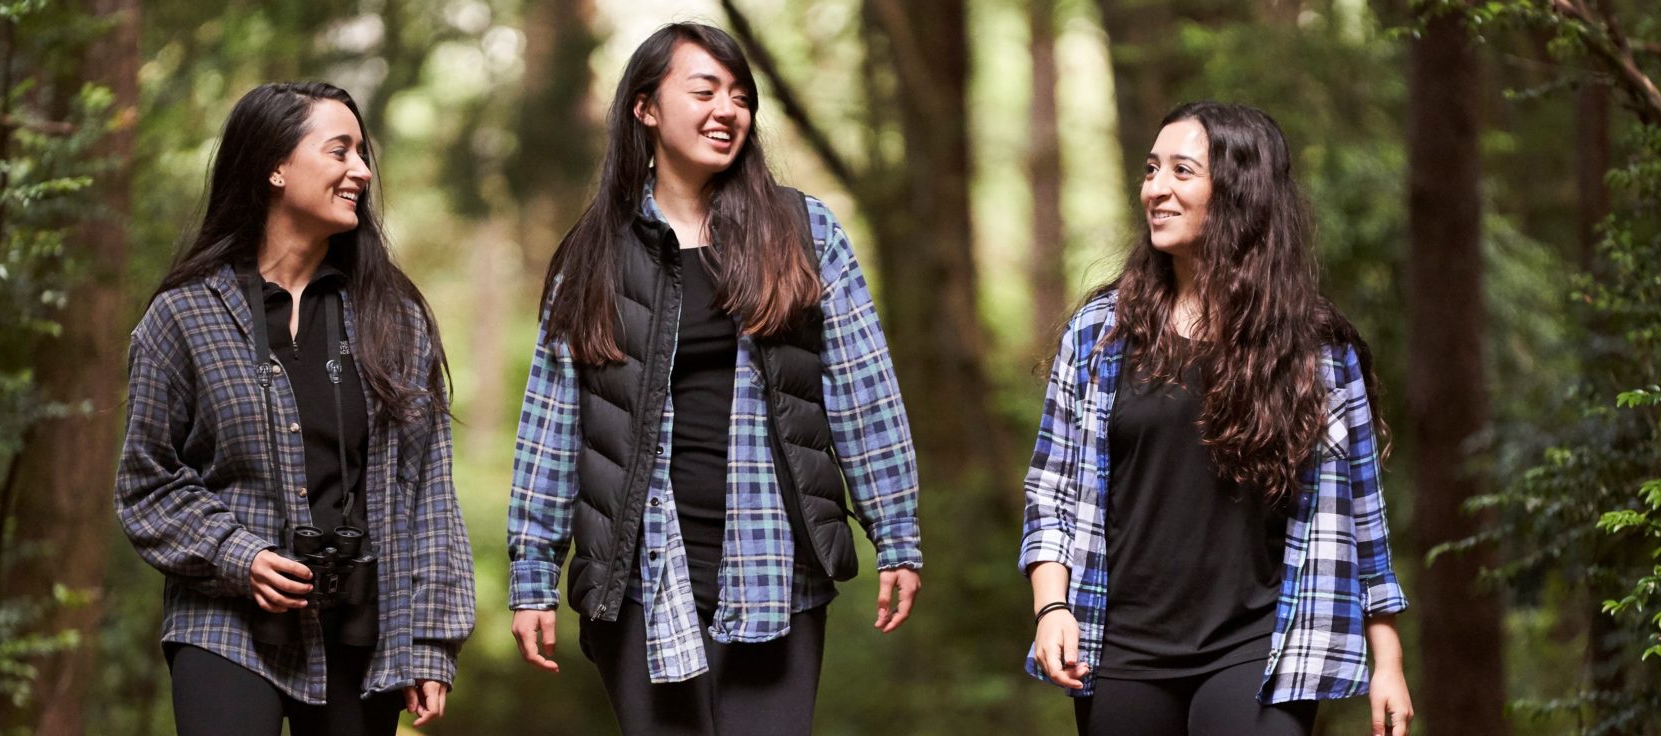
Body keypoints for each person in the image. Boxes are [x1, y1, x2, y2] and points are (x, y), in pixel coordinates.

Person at [504, 22, 923, 736]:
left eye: (741, 96)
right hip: (641, 575)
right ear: (645, 108)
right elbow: (554, 423)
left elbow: (863, 391)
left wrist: (897, 534)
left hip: (774, 569)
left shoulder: (803, 232)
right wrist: (531, 575)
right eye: (704, 91)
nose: (727, 109)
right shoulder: (594, 255)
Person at [1019, 101, 1415, 736]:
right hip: (1121, 646)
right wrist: (1052, 607)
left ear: (1238, 193)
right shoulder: (1101, 334)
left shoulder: (1313, 349)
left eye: (1181, 171)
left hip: (1262, 644)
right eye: (1151, 169)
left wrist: (1387, 662)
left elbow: (1363, 516)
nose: (1156, 189)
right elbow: (1052, 489)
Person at [115, 81, 472, 736]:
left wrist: (429, 642)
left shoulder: (396, 317)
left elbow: (428, 493)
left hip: (361, 629)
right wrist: (237, 553)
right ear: (275, 167)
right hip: (226, 622)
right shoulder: (183, 317)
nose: (361, 171)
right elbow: (146, 484)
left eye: (362, 154)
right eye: (339, 151)